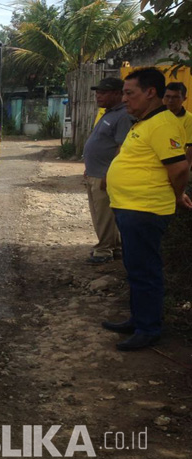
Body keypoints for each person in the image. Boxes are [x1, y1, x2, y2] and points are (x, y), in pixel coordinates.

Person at [102, 68, 192, 351]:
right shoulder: (143, 121)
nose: (125, 98)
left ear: (150, 92)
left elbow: (179, 168)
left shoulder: (163, 124)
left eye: (130, 93)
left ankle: (149, 328)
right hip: (131, 208)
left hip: (145, 210)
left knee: (145, 270)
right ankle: (138, 319)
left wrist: (178, 196)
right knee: (135, 267)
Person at [82, 77, 131, 265]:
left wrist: (109, 174)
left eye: (103, 92)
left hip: (105, 175)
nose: (98, 95)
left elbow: (121, 148)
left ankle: (103, 251)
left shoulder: (123, 115)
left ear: (118, 94)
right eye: (98, 92)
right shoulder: (108, 113)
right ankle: (115, 247)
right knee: (102, 214)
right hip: (96, 172)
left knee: (103, 215)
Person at [163, 82, 192, 164]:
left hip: (176, 164)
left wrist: (184, 170)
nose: (170, 100)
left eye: (175, 97)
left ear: (184, 99)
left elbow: (190, 149)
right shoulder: (157, 116)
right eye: (167, 96)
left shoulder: (189, 119)